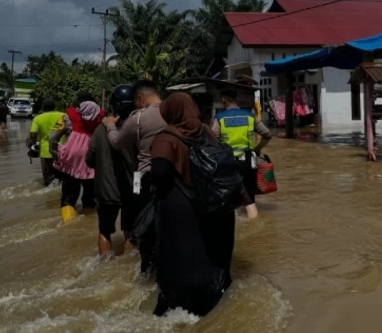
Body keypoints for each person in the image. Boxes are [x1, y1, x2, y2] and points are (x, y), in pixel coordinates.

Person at [150, 92, 235, 317]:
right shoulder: (207, 131)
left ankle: (179, 307)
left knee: (180, 258)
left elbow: (159, 173)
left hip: (181, 212)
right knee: (211, 254)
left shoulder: (165, 138)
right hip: (214, 205)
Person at [102, 80, 167, 277]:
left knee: (142, 226)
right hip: (175, 177)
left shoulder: (138, 119)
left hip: (146, 178)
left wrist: (110, 126)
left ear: (140, 98)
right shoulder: (174, 112)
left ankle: (147, 271)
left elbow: (116, 143)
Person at [86, 85, 137, 258]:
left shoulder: (100, 129)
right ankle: (126, 267)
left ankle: (105, 269)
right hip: (132, 188)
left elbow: (89, 159)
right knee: (130, 230)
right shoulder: (137, 127)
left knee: (105, 231)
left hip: (106, 191)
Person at [212, 88, 272, 219]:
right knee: (249, 196)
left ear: (223, 101)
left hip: (229, 164)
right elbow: (267, 134)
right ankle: (254, 221)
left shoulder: (220, 118)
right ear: (237, 100)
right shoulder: (250, 116)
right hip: (249, 162)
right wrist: (257, 148)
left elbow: (213, 140)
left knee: (231, 197)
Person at [50, 93, 104, 220]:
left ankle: (67, 223)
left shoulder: (67, 117)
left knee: (69, 195)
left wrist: (56, 157)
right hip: (92, 162)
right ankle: (88, 219)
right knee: (90, 197)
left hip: (71, 162)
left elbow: (52, 138)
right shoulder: (102, 118)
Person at [29, 98, 65, 186]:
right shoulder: (63, 115)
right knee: (62, 177)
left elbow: (33, 134)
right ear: (54, 107)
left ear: (43, 107)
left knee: (48, 178)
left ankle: (49, 196)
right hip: (62, 150)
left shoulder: (37, 119)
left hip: (46, 151)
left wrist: (34, 144)